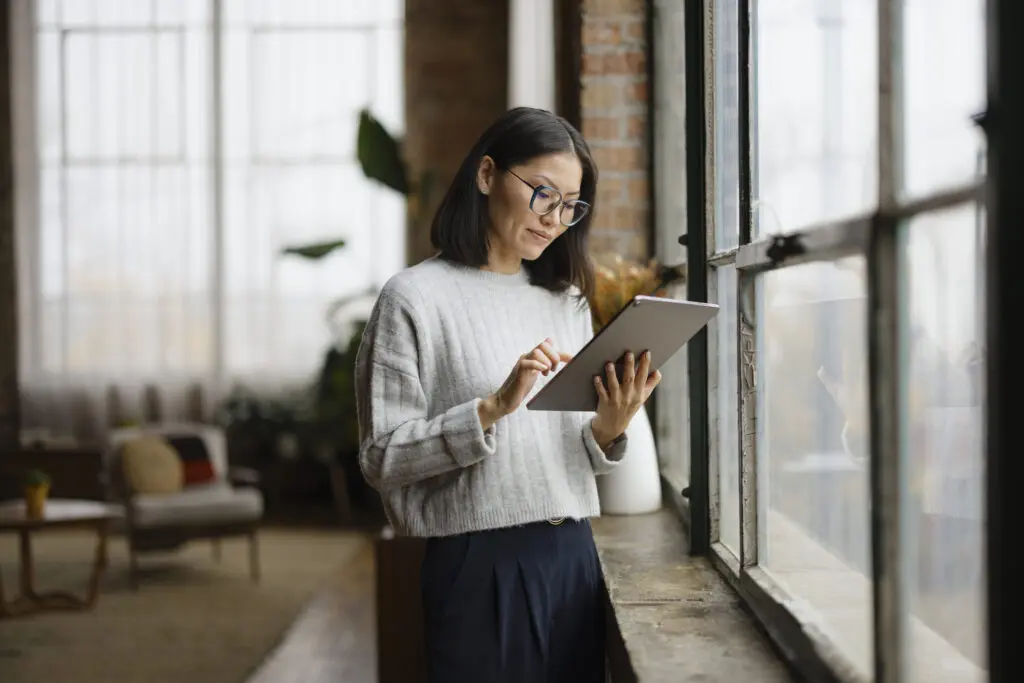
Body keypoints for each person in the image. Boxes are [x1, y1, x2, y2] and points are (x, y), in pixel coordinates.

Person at [354, 106, 660, 683]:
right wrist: (491, 410)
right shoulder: (414, 298)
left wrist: (609, 428)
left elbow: (568, 452)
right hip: (476, 562)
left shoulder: (566, 301)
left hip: (572, 553)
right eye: (544, 194)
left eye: (571, 205)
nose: (556, 219)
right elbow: (380, 457)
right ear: (488, 175)